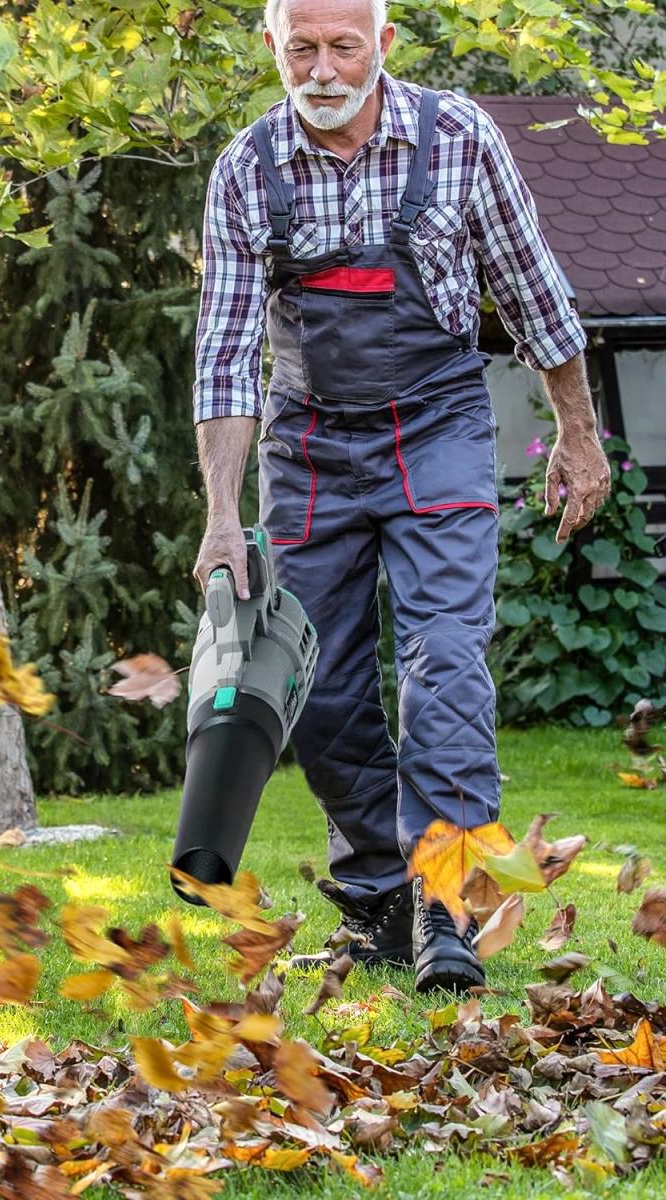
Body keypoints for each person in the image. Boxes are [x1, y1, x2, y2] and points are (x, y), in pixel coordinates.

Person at [191, 0, 611, 991]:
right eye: (303, 47)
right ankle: (380, 892)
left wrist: (580, 439)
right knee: (319, 695)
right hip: (307, 449)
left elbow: (534, 292)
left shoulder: (458, 138)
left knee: (448, 663)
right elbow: (223, 355)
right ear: (273, 48)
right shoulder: (249, 170)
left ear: (383, 45)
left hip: (437, 429)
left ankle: (447, 905)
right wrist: (220, 517)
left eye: (344, 46)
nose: (323, 68)